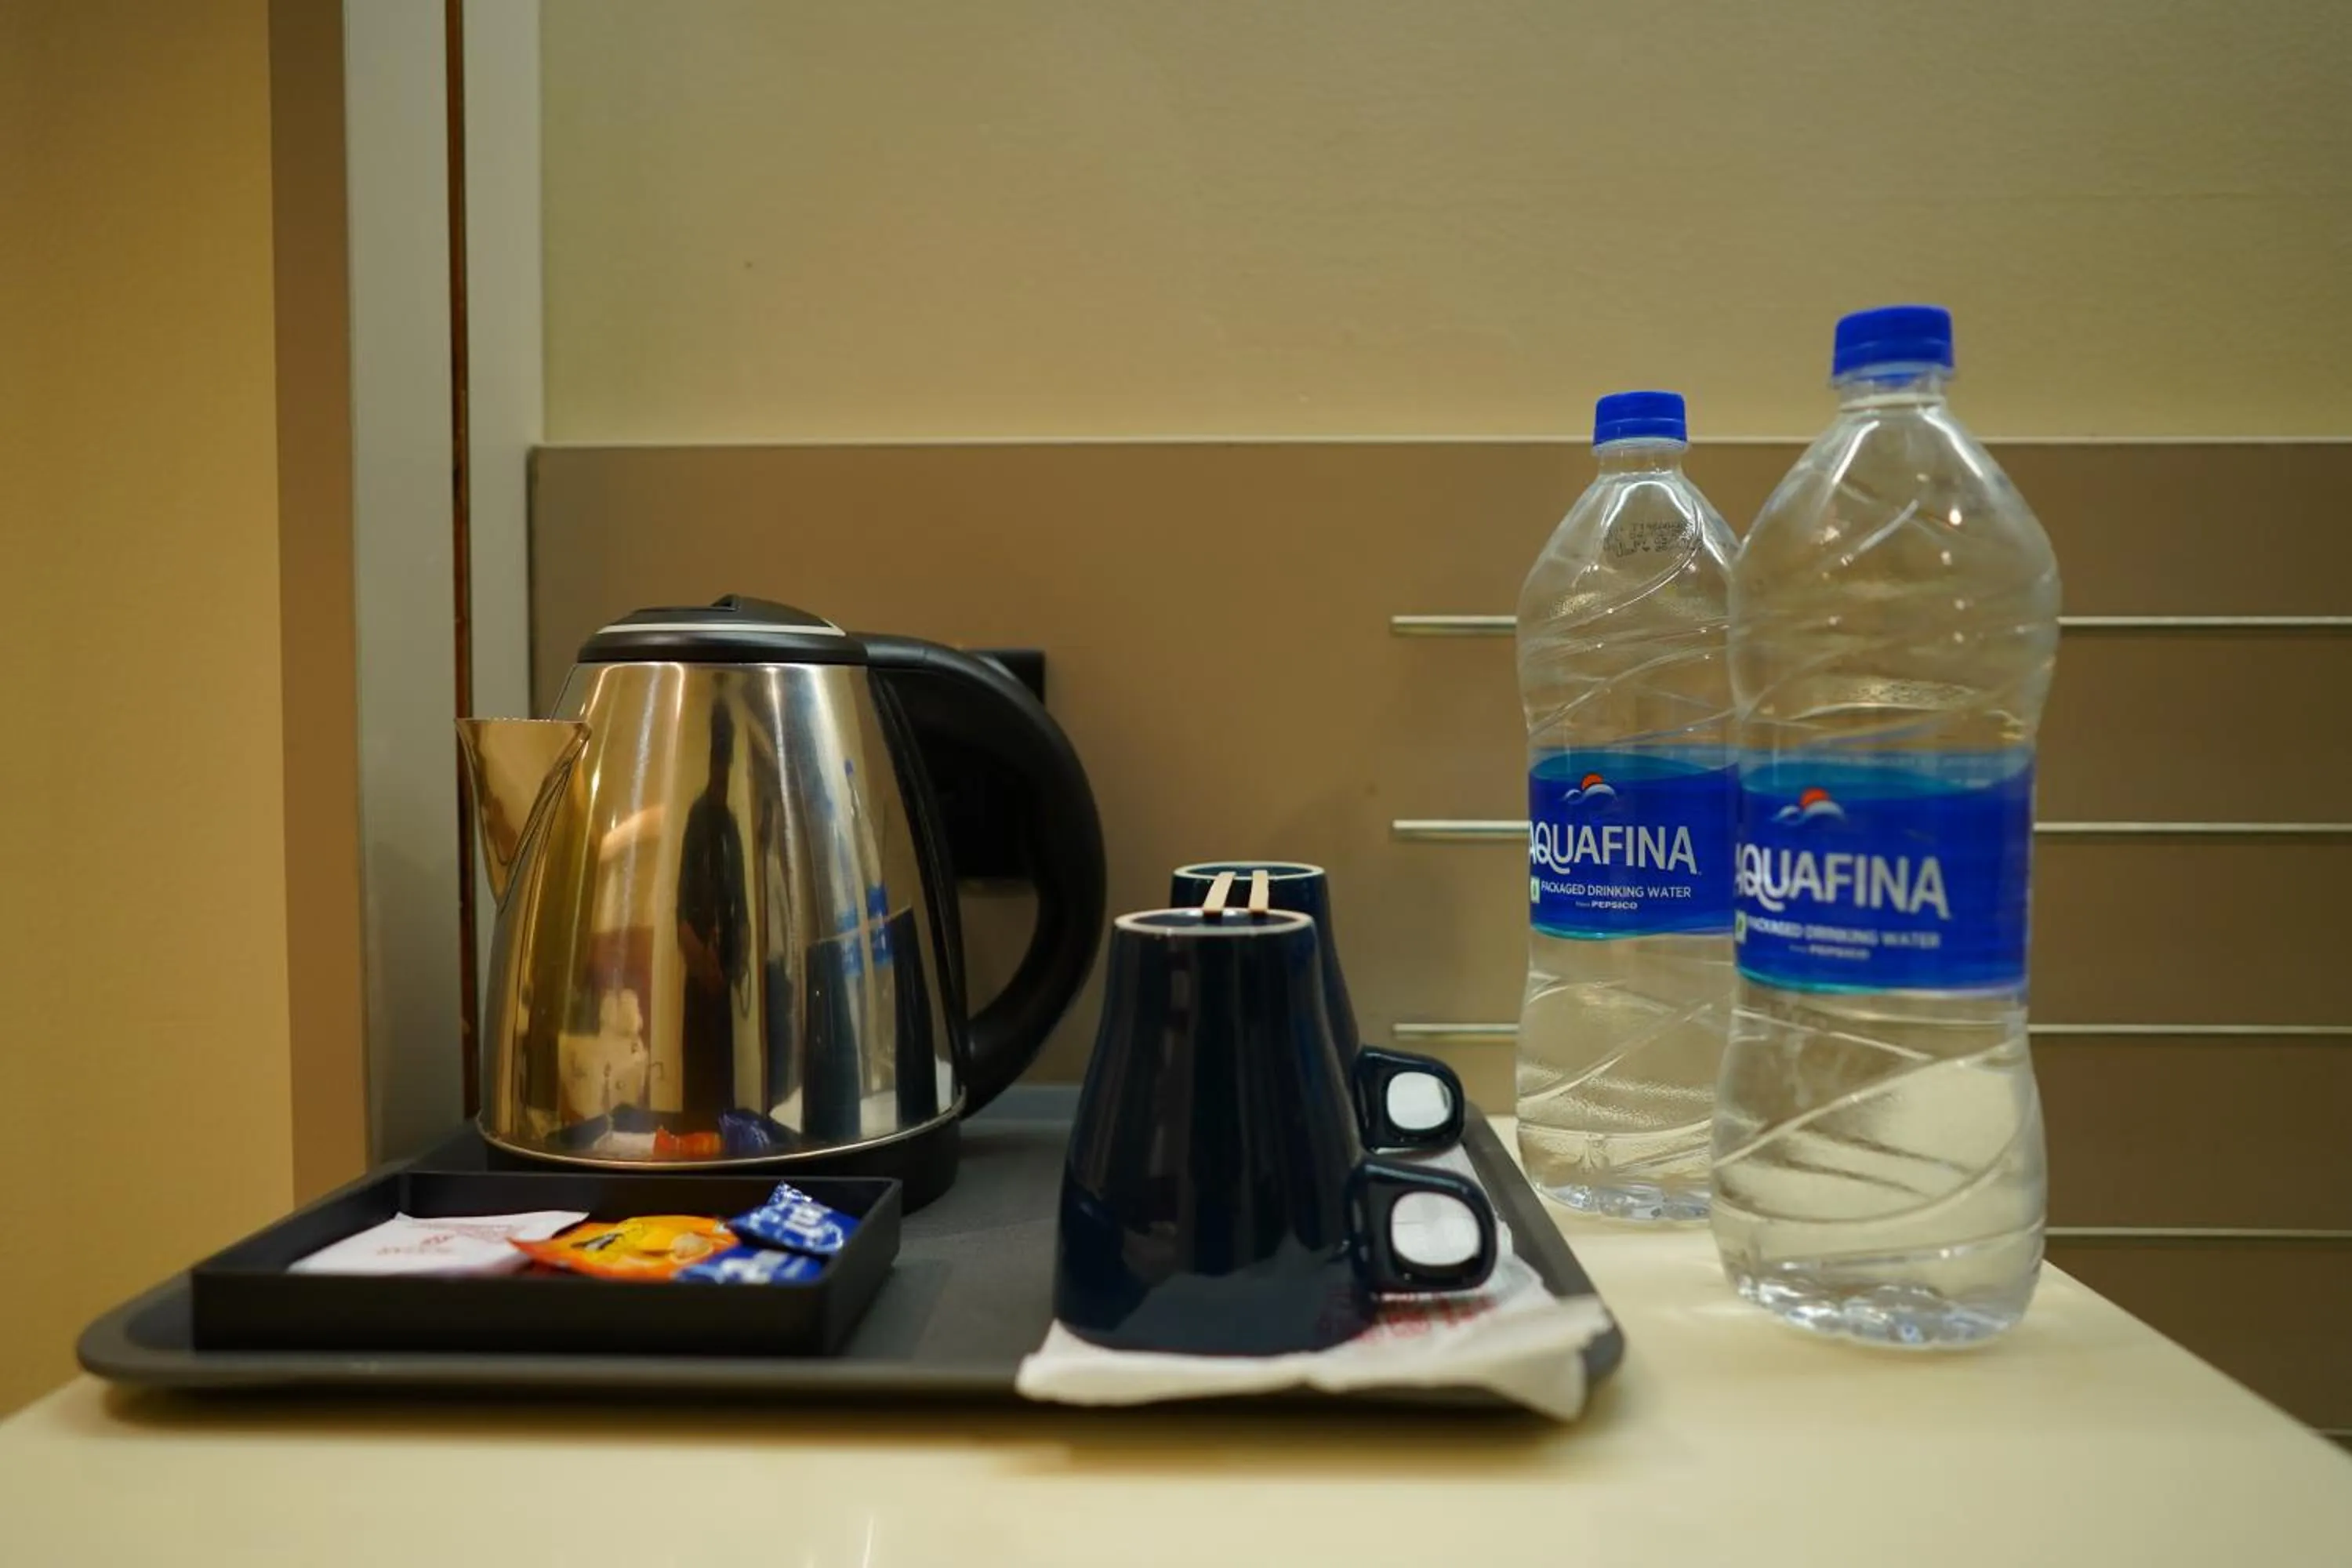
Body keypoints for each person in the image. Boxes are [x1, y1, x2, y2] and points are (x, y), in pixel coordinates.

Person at [674, 704, 750, 1116]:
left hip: (726, 977)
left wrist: (734, 963)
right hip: (699, 973)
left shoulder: (733, 825)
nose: (722, 767)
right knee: (699, 1070)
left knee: (726, 1074)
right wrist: (703, 961)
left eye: (726, 757)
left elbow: (739, 904)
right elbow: (682, 905)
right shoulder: (698, 817)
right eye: (718, 756)